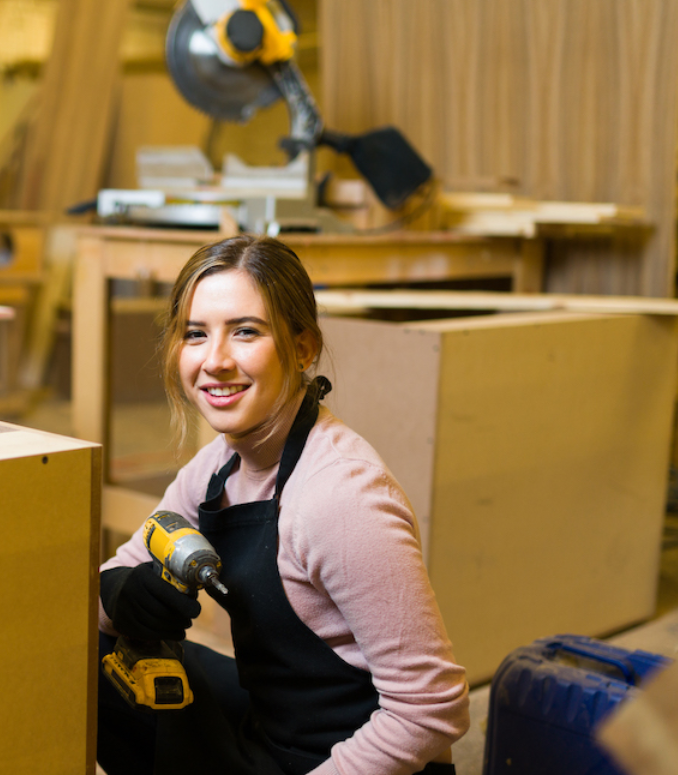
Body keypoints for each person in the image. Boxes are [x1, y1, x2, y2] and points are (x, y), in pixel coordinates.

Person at [96, 235, 469, 775]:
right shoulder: (217, 468)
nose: (215, 361)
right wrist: (121, 593)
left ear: (302, 347)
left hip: (351, 762)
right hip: (270, 731)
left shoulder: (341, 496)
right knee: (94, 658)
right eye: (196, 335)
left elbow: (431, 708)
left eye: (245, 331)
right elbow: (108, 585)